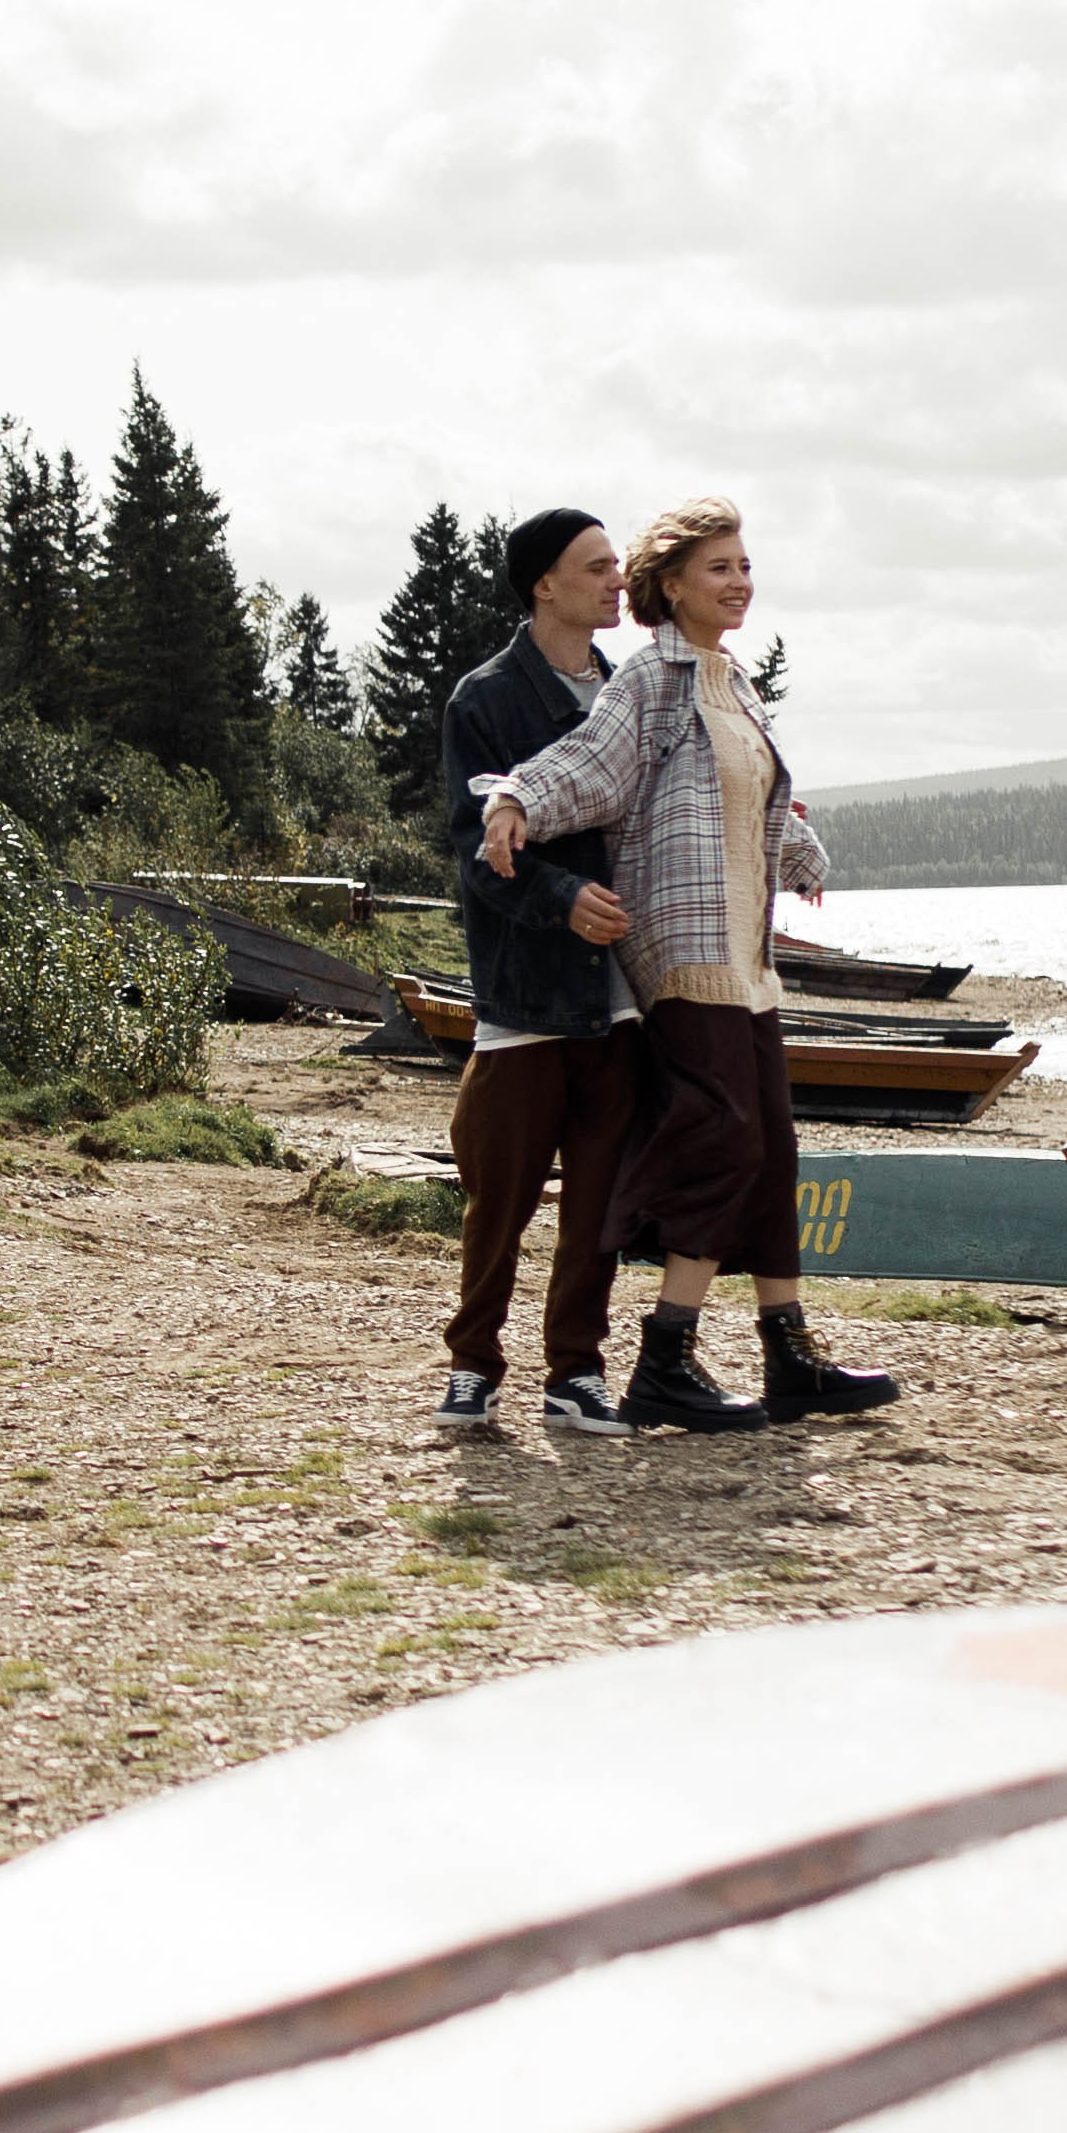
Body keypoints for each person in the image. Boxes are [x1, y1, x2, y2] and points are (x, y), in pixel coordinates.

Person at [478, 498, 899, 1433]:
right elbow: (587, 762)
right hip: (682, 942)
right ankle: (664, 1358)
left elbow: (760, 796)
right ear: (668, 587)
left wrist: (801, 855)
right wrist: (514, 798)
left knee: (772, 1146)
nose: (739, 582)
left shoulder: (732, 682)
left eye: (744, 566)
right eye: (718, 568)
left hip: (743, 951)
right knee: (723, 1138)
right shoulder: (651, 680)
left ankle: (789, 1354)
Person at [435, 508, 643, 1437]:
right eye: (596, 567)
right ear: (542, 585)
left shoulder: (635, 692)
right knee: (499, 1202)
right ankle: (472, 1366)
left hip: (625, 999)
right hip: (524, 997)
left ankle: (575, 1374)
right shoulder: (483, 701)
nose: (617, 582)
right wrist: (560, 896)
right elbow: (474, 852)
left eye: (619, 566)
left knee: (597, 1206)